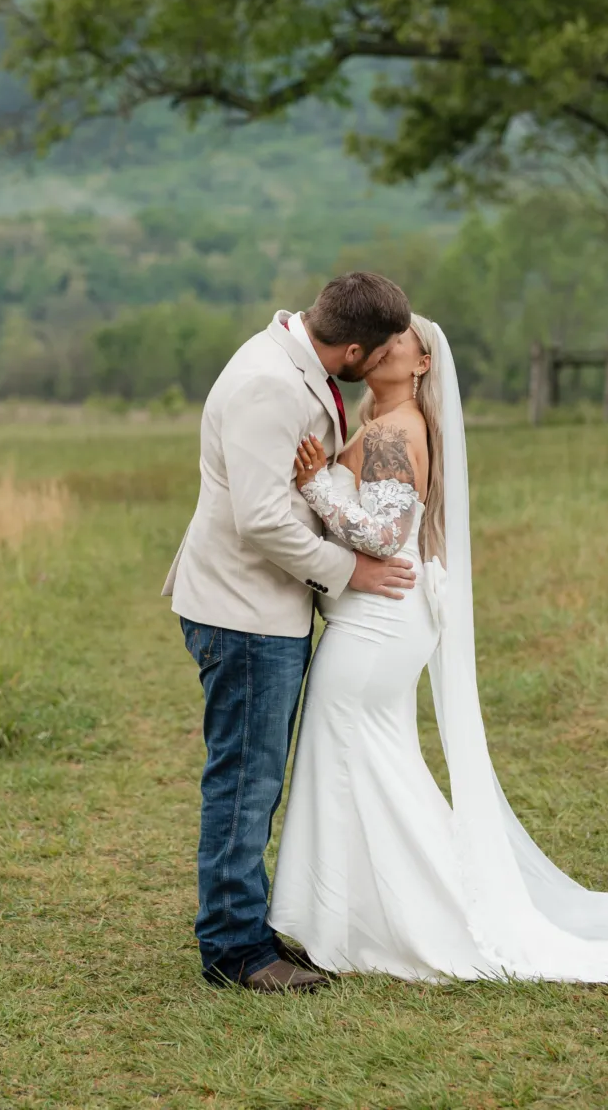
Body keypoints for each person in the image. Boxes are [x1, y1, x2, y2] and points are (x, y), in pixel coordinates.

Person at [268, 314, 608, 981]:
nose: (388, 339)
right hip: (384, 620)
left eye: (405, 336)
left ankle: (408, 918)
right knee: (367, 762)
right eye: (383, 332)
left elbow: (386, 535)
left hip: (378, 624)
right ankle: (357, 918)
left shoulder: (392, 431)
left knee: (359, 756)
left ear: (421, 363)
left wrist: (317, 487)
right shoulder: (384, 425)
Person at [164, 272, 419, 993]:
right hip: (243, 612)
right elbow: (262, 518)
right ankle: (235, 950)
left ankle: (245, 921)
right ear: (355, 346)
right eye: (382, 351)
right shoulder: (267, 384)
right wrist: (351, 572)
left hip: (265, 606)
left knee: (256, 774)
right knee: (245, 780)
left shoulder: (296, 362)